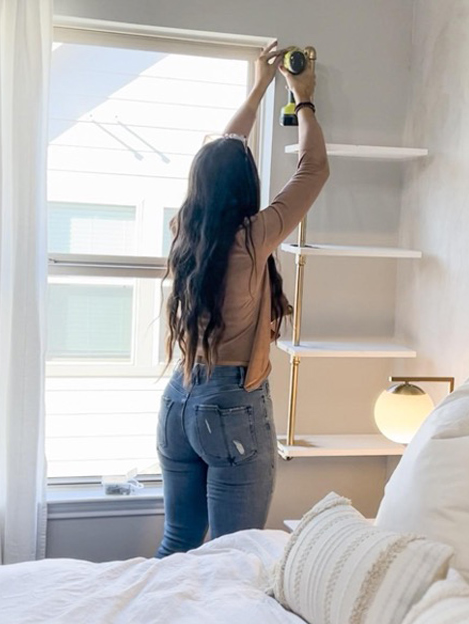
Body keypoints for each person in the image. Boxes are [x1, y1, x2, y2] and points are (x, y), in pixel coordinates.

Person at [155, 40, 329, 558]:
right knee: (234, 558)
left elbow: (224, 148)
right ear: (244, 186)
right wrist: (304, 100)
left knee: (177, 544)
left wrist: (259, 85)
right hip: (230, 406)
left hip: (178, 401)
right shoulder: (252, 238)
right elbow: (313, 169)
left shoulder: (185, 230)